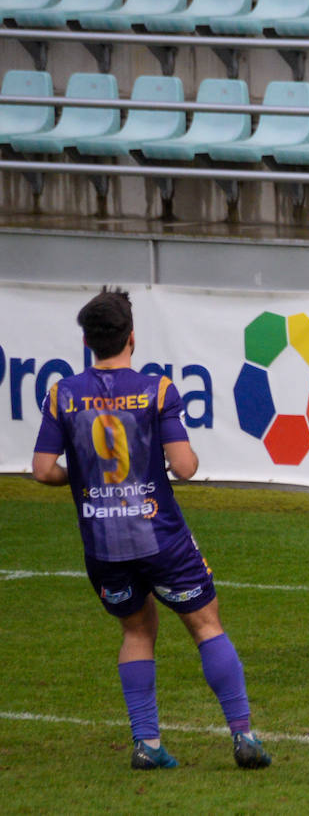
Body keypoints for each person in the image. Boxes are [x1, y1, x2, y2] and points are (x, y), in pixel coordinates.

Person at [30, 287, 271, 771]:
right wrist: (190, 457)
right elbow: (183, 467)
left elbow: (41, 470)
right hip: (160, 536)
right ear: (131, 337)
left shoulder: (61, 393)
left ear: (87, 341)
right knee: (206, 626)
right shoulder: (156, 390)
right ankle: (243, 736)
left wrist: (80, 478)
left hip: (102, 542)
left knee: (137, 632)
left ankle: (146, 744)